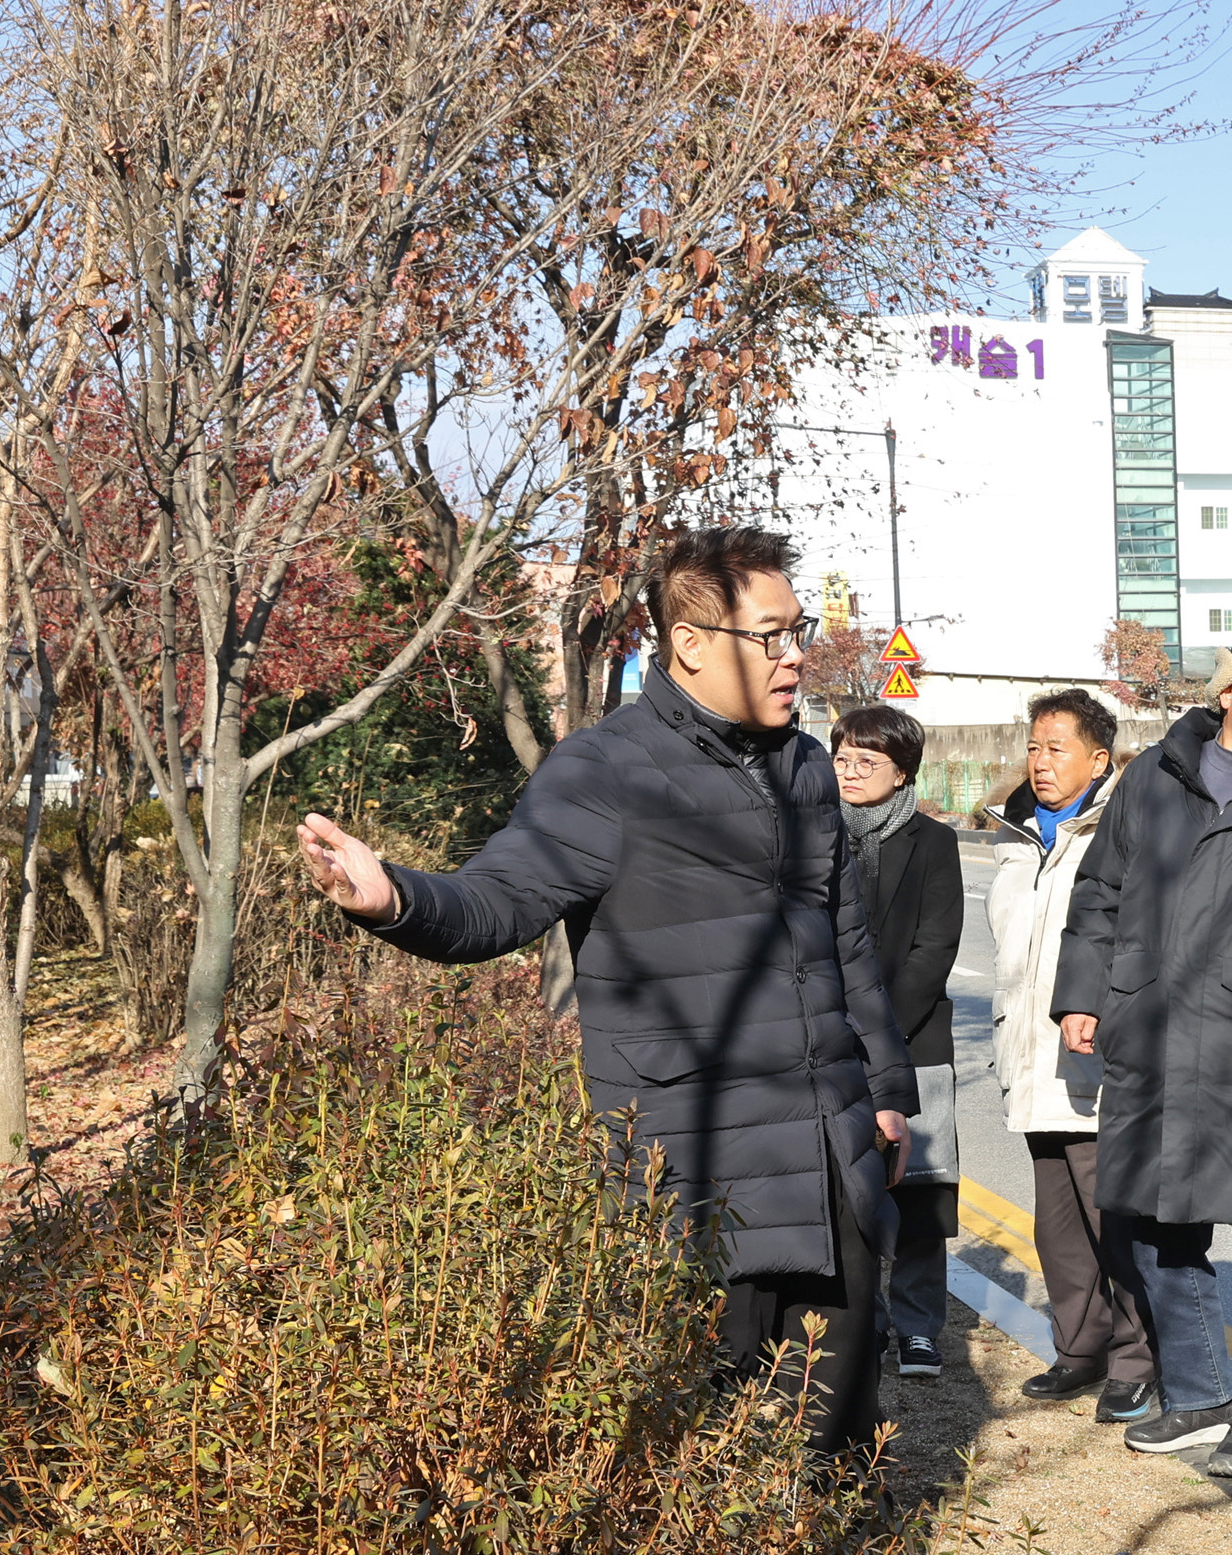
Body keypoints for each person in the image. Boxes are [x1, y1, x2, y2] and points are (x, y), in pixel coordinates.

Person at [294, 525, 917, 1458]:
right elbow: (500, 901)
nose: (797, 656)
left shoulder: (803, 766)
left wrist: (887, 1094)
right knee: (710, 1452)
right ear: (692, 643)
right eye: (773, 635)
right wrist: (394, 898)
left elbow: (845, 938)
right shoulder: (604, 771)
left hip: (831, 1152)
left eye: (800, 629)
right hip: (700, 1163)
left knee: (835, 1436)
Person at [1051, 625, 1232, 1480]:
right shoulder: (1152, 779)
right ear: (1227, 693)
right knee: (1156, 1224)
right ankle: (1199, 1394)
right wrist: (1082, 993)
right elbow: (1100, 889)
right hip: (1156, 1030)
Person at [986, 687, 1157, 1424]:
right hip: (1029, 1060)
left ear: (1098, 757)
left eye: (1056, 748)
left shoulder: (1117, 832)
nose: (1040, 761)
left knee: (1110, 1218)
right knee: (1056, 1225)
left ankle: (1134, 1360)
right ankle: (1078, 1348)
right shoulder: (1018, 835)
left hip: (1094, 1061)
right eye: (1033, 746)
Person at [830, 704, 965, 1381]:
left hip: (914, 1041)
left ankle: (917, 1328)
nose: (849, 772)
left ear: (901, 771)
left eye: (866, 761)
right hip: (826, 1042)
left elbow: (932, 950)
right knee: (840, 1192)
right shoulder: (812, 835)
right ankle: (859, 1324)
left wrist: (876, 1032)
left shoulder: (933, 843)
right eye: (842, 758)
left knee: (918, 1194)